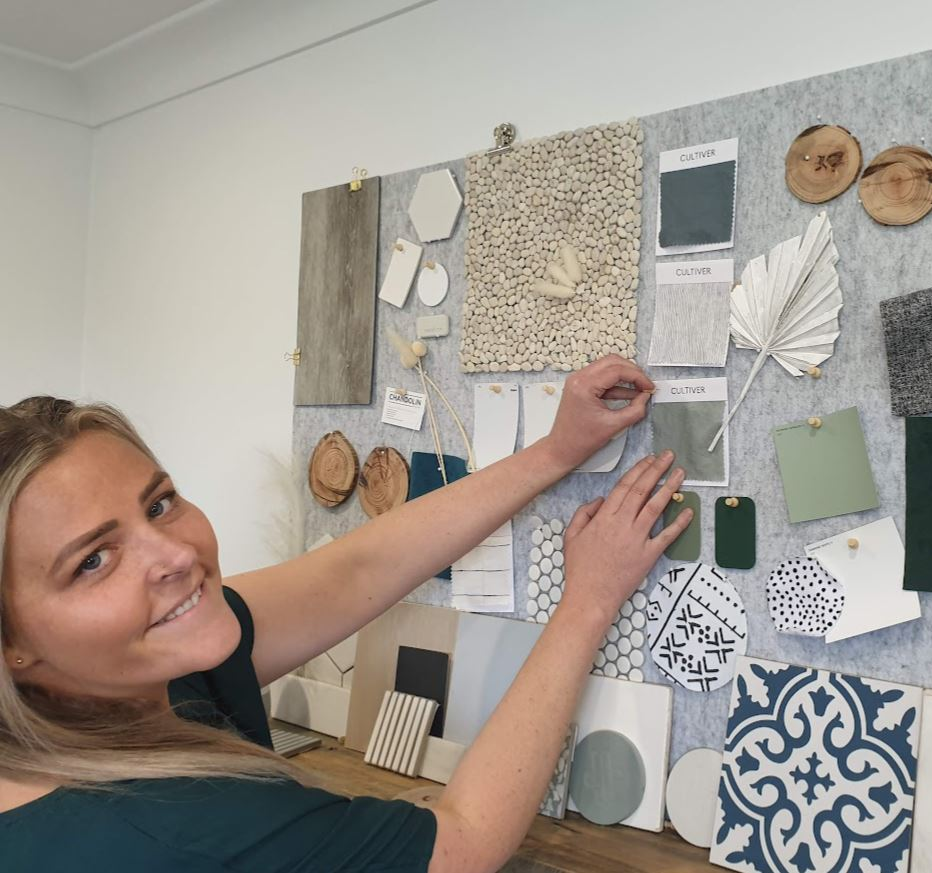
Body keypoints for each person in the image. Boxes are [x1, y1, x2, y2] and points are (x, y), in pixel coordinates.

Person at [0, 354, 691, 872]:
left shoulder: (131, 676)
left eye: (159, 503)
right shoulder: (179, 827)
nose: (175, 554)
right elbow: (462, 839)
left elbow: (351, 572)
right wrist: (590, 598)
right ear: (13, 644)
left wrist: (557, 450)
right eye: (92, 560)